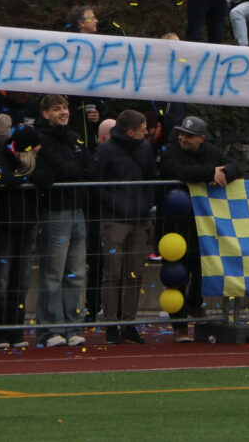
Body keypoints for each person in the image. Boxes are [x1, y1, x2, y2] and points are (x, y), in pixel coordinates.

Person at [158, 114, 242, 340]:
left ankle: (195, 304)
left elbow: (236, 167)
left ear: (201, 139)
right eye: (182, 133)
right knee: (176, 275)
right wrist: (209, 173)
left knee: (202, 270)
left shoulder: (212, 153)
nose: (183, 138)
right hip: (175, 226)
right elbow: (175, 170)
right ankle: (179, 326)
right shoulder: (171, 150)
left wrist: (223, 173)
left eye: (189, 136)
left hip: (202, 223)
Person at [34, 93, 98, 348]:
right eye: (57, 108)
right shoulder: (41, 139)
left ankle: (72, 326)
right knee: (53, 272)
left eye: (65, 108)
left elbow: (90, 168)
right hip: (55, 211)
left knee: (76, 272)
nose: (63, 112)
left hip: (76, 210)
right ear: (45, 113)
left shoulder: (74, 139)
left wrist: (74, 172)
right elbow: (59, 170)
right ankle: (49, 330)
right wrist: (74, 171)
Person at [96, 108, 156, 344]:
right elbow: (97, 184)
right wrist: (114, 205)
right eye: (142, 129)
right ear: (130, 132)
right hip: (115, 219)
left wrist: (146, 204)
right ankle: (111, 324)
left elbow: (152, 177)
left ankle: (129, 323)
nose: (147, 132)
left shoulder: (145, 148)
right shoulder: (105, 151)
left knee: (135, 273)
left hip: (139, 219)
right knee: (112, 273)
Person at [0, 124, 47, 350]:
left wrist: (26, 174)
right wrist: (23, 176)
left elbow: (46, 176)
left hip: (24, 225)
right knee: (0, 280)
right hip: (1, 225)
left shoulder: (34, 162)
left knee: (20, 281)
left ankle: (15, 329)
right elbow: (2, 179)